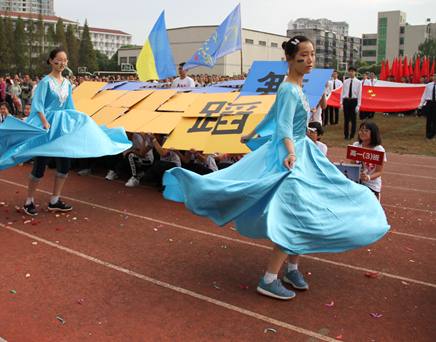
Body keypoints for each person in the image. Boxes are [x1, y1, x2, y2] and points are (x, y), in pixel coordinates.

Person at [162, 36, 389, 300]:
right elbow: (282, 125)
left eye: (313, 54)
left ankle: (292, 268)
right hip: (290, 156)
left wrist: (253, 132)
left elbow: (272, 115)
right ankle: (269, 279)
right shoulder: (289, 89)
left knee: (302, 211)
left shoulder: (295, 87)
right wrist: (291, 152)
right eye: (304, 55)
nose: (310, 60)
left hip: (301, 153)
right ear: (290, 59)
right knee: (293, 216)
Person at [0, 48, 131, 215]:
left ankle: (55, 200)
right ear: (51, 60)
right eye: (59, 59)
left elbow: (69, 107)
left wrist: (78, 122)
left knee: (65, 165)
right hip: (47, 127)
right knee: (40, 166)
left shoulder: (67, 83)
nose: (62, 63)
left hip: (62, 127)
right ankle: (29, 201)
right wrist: (45, 122)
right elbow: (38, 105)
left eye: (65, 60)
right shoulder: (45, 82)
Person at [350, 121, 386, 200]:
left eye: (366, 131)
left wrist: (368, 177)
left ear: (373, 133)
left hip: (372, 185)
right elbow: (353, 166)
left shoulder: (379, 150)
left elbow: (379, 172)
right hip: (357, 184)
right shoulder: (356, 145)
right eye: (361, 130)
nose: (362, 133)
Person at [340, 66, 362, 140]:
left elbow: (359, 94)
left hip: (353, 101)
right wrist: (341, 103)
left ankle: (352, 136)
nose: (351, 73)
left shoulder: (358, 82)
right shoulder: (346, 81)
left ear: (355, 72)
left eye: (352, 71)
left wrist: (358, 105)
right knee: (346, 119)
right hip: (346, 100)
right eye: (350, 71)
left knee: (353, 119)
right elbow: (343, 92)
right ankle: (346, 135)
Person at [418, 74, 436, 140]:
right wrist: (421, 104)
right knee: (428, 119)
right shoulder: (429, 85)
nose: (434, 78)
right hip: (429, 103)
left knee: (434, 120)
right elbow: (424, 95)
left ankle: (433, 134)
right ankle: (428, 134)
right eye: (434, 76)